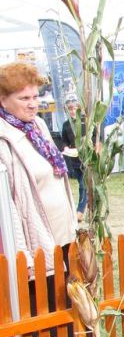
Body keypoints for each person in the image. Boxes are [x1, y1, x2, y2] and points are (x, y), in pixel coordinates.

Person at [0, 62, 77, 278]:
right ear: (3, 100)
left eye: (35, 97)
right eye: (24, 99)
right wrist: (22, 255)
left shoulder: (38, 126)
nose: (33, 104)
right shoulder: (4, 139)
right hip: (38, 247)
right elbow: (8, 208)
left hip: (63, 238)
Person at [61, 96, 87, 221]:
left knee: (83, 185)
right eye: (69, 109)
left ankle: (80, 211)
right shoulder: (66, 125)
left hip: (86, 160)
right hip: (74, 160)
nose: (72, 111)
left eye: (74, 108)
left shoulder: (85, 122)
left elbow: (93, 139)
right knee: (81, 185)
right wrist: (66, 148)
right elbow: (64, 140)